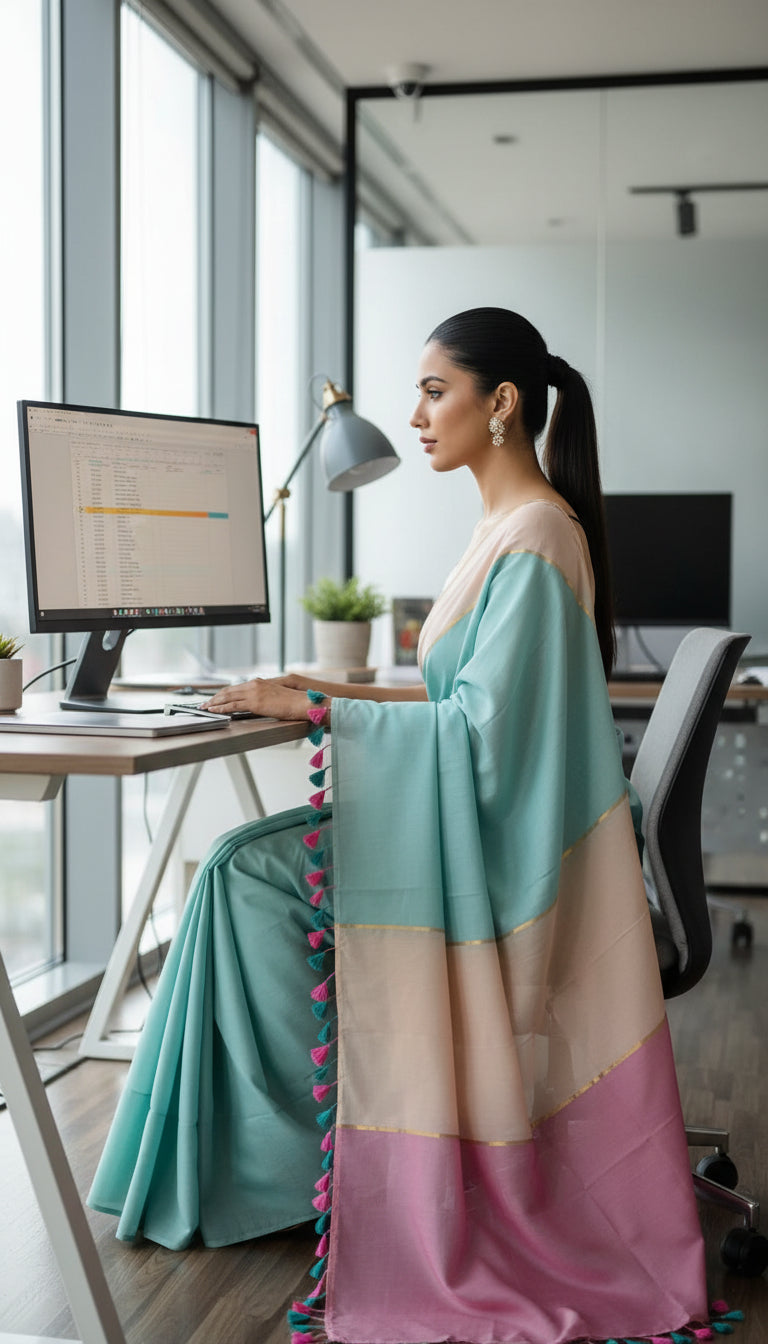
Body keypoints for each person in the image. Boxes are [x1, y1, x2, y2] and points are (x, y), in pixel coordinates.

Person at [89, 308, 718, 1344]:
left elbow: (485, 740)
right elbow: (466, 705)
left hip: (510, 863)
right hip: (487, 828)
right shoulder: (511, 529)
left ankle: (306, 1169)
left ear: (501, 403)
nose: (417, 416)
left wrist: (321, 710)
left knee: (245, 873)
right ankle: (290, 1161)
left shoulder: (535, 536)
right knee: (242, 862)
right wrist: (324, 692)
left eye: (434, 391)